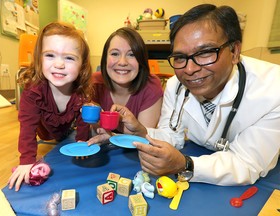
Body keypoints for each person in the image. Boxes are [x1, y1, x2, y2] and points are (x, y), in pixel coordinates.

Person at [111, 4, 280, 185]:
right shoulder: (175, 86)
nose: (190, 69)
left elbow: (247, 163)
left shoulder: (272, 90)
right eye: (180, 57)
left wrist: (185, 164)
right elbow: (172, 135)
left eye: (205, 52)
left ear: (234, 52)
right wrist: (142, 131)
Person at [8, 21, 94, 191]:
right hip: (44, 130)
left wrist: (82, 141)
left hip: (65, 129)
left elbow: (84, 121)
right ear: (39, 58)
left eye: (69, 58)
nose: (59, 64)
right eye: (50, 55)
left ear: (82, 65)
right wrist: (27, 161)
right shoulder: (33, 92)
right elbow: (27, 128)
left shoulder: (81, 93)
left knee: (71, 129)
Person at [88, 27, 163, 145]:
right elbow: (92, 133)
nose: (122, 62)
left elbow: (143, 141)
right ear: (105, 59)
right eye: (115, 53)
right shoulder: (94, 84)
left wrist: (111, 136)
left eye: (131, 54)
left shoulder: (151, 87)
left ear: (141, 60)